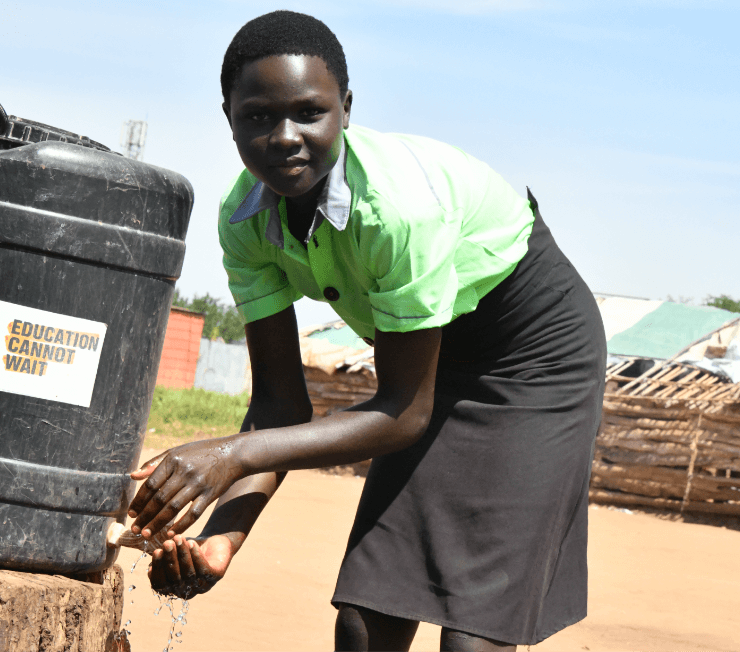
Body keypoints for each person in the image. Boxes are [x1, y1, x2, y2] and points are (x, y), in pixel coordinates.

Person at [127, 10, 606, 651]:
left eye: (308, 112)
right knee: (364, 622)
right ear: (229, 117)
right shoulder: (244, 221)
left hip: (530, 361)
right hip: (423, 365)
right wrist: (221, 542)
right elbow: (279, 404)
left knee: (471, 639)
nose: (285, 137)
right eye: (259, 116)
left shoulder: (395, 211)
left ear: (346, 109)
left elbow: (403, 415)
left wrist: (230, 454)